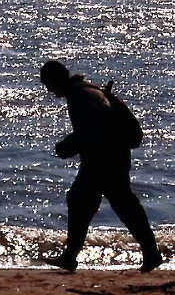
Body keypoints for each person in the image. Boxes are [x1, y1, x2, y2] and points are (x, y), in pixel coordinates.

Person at [39, 59, 163, 273]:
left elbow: (91, 131)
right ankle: (150, 253)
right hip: (111, 156)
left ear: (56, 80)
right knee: (113, 204)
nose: (50, 91)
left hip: (104, 159)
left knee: (98, 203)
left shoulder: (81, 96)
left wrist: (66, 147)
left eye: (49, 85)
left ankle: (71, 258)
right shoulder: (86, 91)